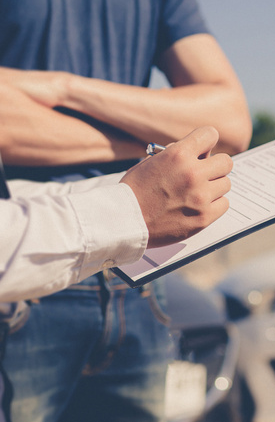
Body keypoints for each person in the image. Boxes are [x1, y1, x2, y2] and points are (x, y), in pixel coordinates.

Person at [0, 0, 252, 421]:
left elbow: (229, 123)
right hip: (28, 269)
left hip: (138, 271)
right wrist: (160, 146)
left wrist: (66, 87)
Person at [0, 126, 232, 422]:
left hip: (132, 286)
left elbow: (230, 127)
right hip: (36, 295)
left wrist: (138, 190)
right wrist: (130, 207)